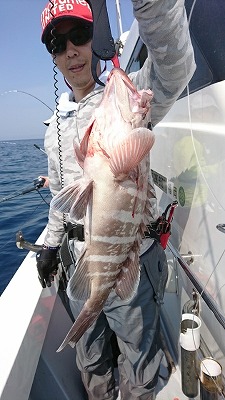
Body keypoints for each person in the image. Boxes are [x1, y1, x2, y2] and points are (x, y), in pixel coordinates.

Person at [37, 1, 195, 399]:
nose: (71, 50)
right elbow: (60, 194)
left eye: (80, 35)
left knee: (140, 361)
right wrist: (51, 244)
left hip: (130, 257)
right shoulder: (53, 126)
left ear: (99, 39)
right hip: (80, 260)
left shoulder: (127, 98)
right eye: (58, 43)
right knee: (91, 361)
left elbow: (174, 66)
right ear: (53, 55)